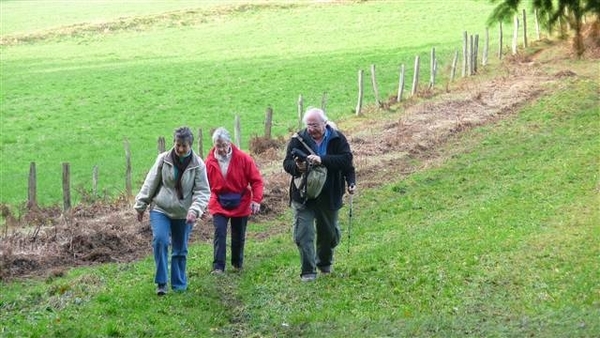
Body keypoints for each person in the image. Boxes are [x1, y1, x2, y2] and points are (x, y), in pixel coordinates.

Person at [134, 126, 211, 296]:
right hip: (160, 208)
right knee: (160, 240)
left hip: (184, 212)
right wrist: (141, 206)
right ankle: (161, 283)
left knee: (180, 248)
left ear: (190, 145)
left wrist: (195, 210)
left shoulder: (198, 165)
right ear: (174, 143)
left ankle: (179, 284)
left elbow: (203, 191)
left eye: (184, 146)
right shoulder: (163, 159)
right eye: (178, 145)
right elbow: (150, 182)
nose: (180, 149)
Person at [283, 107, 355, 281]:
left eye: (315, 125)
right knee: (303, 233)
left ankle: (324, 263)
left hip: (329, 194)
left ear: (325, 123)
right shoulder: (298, 139)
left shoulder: (338, 139)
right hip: (304, 195)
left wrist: (350, 181)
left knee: (328, 233)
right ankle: (308, 272)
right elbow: (286, 163)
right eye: (309, 125)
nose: (311, 129)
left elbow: (346, 161)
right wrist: (297, 167)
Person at [205, 127, 264, 274]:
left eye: (224, 145)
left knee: (238, 233)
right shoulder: (209, 162)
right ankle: (218, 266)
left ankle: (237, 263)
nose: (222, 149)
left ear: (229, 142)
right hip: (218, 201)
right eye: (218, 146)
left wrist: (256, 200)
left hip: (241, 200)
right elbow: (204, 185)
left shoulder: (244, 158)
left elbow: (256, 181)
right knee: (220, 232)